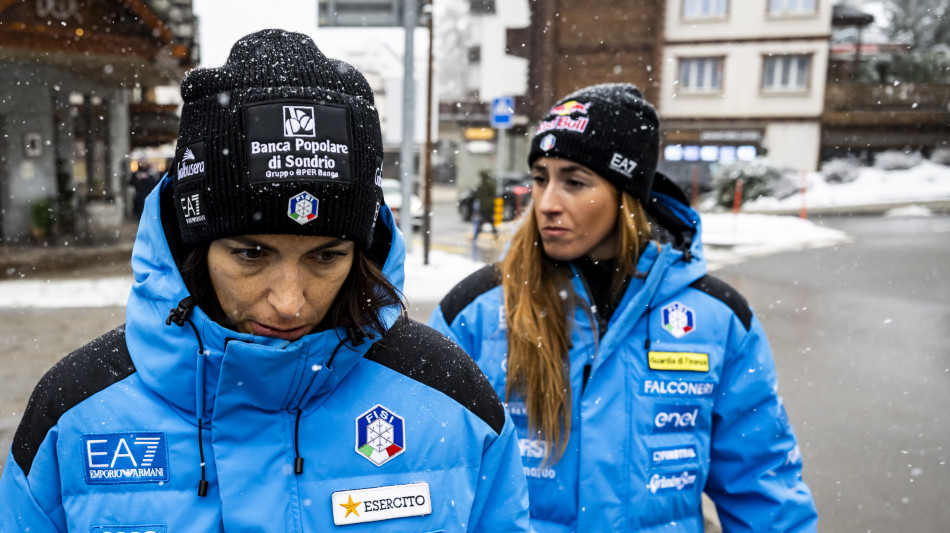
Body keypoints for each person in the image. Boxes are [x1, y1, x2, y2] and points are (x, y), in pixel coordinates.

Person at [0, 29, 529, 532]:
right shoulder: (74, 416)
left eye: (327, 257)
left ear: (362, 255)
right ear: (194, 247)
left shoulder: (453, 400)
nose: (290, 302)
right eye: (251, 254)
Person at [429, 83, 819, 532]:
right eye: (540, 178)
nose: (547, 203)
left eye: (574, 182)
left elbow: (762, 486)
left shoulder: (718, 319)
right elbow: (434, 478)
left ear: (625, 193)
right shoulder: (474, 312)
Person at [473, 169, 498, 238]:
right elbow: (494, 194)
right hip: (488, 205)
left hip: (485, 205)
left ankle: (479, 232)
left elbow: (478, 195)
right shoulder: (489, 185)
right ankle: (493, 231)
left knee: (484, 219)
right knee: (488, 219)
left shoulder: (483, 185)